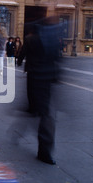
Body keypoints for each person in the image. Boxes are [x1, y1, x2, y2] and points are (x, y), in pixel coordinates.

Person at [17, 16, 62, 165]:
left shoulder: (32, 38)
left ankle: (42, 149)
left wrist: (19, 60)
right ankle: (44, 152)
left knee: (40, 111)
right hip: (40, 77)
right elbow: (58, 58)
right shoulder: (50, 38)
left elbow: (23, 52)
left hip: (38, 77)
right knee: (45, 114)